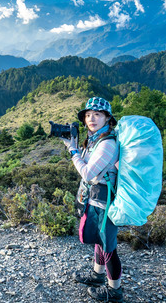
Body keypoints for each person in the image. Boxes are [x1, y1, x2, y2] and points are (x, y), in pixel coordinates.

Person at [61, 96, 123, 302]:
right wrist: (77, 146)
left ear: (107, 118)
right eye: (88, 115)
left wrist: (73, 152)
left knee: (108, 246)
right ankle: (97, 276)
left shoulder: (107, 144)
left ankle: (115, 291)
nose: (91, 118)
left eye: (97, 114)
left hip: (104, 201)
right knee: (98, 240)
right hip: (94, 198)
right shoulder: (96, 139)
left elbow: (87, 173)